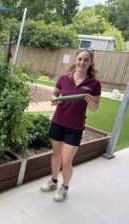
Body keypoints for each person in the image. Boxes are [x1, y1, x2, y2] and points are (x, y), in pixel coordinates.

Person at [40, 48, 101, 202]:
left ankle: (65, 187)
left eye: (86, 60)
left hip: (75, 127)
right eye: (80, 59)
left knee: (66, 160)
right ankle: (53, 181)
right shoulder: (63, 78)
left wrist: (90, 100)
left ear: (90, 62)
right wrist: (53, 98)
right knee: (55, 155)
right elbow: (55, 94)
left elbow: (95, 108)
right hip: (58, 121)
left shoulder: (94, 84)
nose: (82, 62)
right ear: (75, 60)